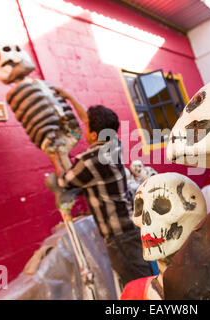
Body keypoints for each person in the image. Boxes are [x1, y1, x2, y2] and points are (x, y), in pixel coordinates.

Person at [47, 88, 155, 288]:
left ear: (94, 134)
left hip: (120, 236)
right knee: (147, 278)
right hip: (131, 226)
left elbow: (64, 182)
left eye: (87, 127)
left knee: (138, 286)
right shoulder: (114, 144)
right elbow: (90, 122)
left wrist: (54, 154)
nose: (84, 128)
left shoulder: (91, 160)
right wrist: (70, 96)